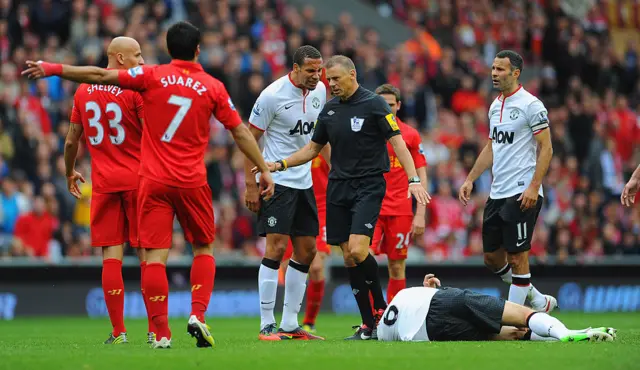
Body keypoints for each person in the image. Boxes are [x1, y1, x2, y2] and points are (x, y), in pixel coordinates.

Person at [23, 21, 275, 349]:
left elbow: (86, 105)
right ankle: (189, 317)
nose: (142, 59)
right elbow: (240, 131)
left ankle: (143, 332)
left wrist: (52, 68)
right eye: (137, 54)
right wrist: (261, 170)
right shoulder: (208, 86)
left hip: (136, 181)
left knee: (131, 257)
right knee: (194, 249)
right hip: (176, 179)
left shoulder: (146, 79)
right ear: (198, 50)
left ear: (169, 49)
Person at [253, 55, 430, 340]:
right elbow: (312, 149)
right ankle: (367, 325)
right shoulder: (330, 110)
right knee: (349, 257)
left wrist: (413, 180)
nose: (330, 84)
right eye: (328, 80)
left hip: (368, 187)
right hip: (338, 188)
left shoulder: (374, 104)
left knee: (360, 251)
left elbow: (397, 142)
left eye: (335, 79)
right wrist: (279, 164)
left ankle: (381, 308)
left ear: (352, 74)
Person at [64, 37, 156, 345]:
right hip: (138, 183)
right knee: (148, 256)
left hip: (103, 185)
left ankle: (118, 332)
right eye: (137, 55)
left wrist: (69, 171)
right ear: (119, 58)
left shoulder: (82, 91)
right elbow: (152, 136)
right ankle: (155, 330)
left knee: (111, 259)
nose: (142, 61)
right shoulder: (133, 90)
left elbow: (70, 141)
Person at [458, 50, 556, 312]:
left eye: (500, 69)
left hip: (522, 191)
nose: (493, 73)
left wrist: (534, 187)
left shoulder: (531, 105)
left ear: (516, 73)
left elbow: (546, 149)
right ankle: (537, 300)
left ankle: (514, 320)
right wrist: (470, 179)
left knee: (517, 257)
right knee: (492, 258)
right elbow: (492, 146)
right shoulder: (494, 105)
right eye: (492, 68)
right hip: (497, 193)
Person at [244, 45, 326, 341]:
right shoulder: (271, 95)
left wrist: (339, 170)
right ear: (295, 69)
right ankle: (267, 324)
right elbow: (248, 139)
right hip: (277, 182)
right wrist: (250, 183)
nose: (316, 76)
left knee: (307, 251)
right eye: (310, 71)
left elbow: (319, 139)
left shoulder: (320, 93)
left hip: (305, 183)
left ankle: (290, 323)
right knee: (276, 249)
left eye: (319, 70)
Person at [377, 273, 617, 342]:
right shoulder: (398, 297)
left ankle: (564, 337)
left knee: (510, 335)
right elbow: (424, 298)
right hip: (442, 301)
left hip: (433, 332)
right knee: (522, 315)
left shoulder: (383, 333)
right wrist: (429, 288)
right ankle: (565, 333)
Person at [372, 84, 428, 303]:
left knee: (396, 265)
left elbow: (421, 175)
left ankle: (393, 317)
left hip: (400, 210)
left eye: (391, 105)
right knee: (363, 258)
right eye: (381, 104)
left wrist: (420, 213)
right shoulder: (366, 133)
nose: (386, 108)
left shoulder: (410, 135)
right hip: (371, 207)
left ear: (399, 106)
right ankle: (372, 316)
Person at [280, 153, 331, 334]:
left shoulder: (323, 145)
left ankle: (310, 321)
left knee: (316, 267)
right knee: (287, 266)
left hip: (322, 209)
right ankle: (288, 318)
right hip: (293, 203)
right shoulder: (291, 142)